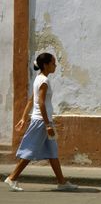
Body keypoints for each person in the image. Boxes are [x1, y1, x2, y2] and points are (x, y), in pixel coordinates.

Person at [4, 52, 78, 192]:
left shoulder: (39, 79)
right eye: (53, 63)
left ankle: (61, 182)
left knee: (52, 152)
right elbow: (41, 103)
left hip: (43, 120)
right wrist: (47, 124)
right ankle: (12, 178)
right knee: (29, 150)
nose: (55, 65)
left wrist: (24, 117)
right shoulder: (44, 81)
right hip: (41, 122)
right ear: (46, 65)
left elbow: (32, 100)